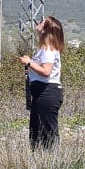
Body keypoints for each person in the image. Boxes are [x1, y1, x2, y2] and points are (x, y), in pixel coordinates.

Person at [20, 17, 64, 150]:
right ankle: (40, 161)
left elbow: (46, 71)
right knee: (37, 130)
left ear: (45, 30)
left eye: (41, 22)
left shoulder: (48, 50)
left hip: (47, 92)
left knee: (47, 132)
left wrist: (29, 63)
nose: (37, 23)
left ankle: (50, 162)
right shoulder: (45, 49)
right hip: (42, 93)